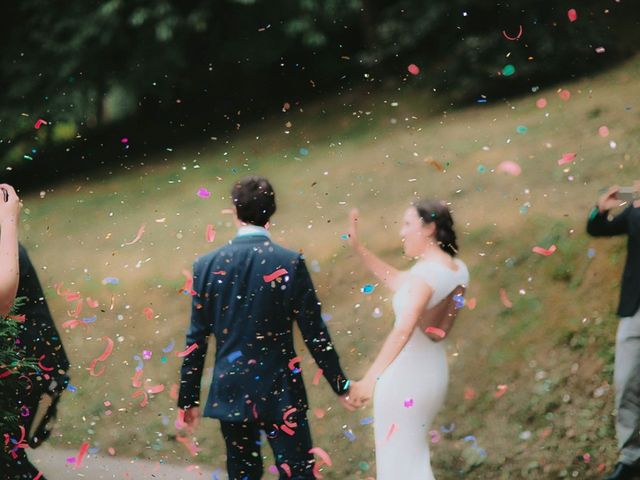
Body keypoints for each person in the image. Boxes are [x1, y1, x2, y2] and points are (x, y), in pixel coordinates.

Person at [178, 176, 354, 480]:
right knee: (298, 471)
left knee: (243, 474)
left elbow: (196, 339)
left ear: (234, 211)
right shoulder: (289, 262)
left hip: (231, 390)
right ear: (271, 211)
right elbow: (315, 334)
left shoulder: (205, 266)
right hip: (280, 389)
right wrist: (341, 385)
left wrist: (187, 399)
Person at [346, 200, 469, 480]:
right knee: (411, 458)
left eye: (407, 224)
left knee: (399, 464)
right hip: (432, 375)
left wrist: (370, 379)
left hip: (406, 382)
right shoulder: (456, 268)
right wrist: (359, 249)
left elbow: (403, 329)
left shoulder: (426, 275)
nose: (402, 232)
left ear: (429, 228)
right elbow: (398, 280)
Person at [587, 185, 640, 480]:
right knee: (626, 382)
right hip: (635, 307)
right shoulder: (635, 207)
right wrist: (602, 207)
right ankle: (631, 457)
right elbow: (597, 229)